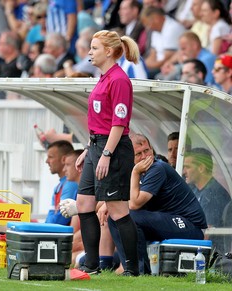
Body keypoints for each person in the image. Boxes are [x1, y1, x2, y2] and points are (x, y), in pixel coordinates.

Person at [75, 30, 140, 276]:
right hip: (96, 146)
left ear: (109, 51)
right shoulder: (103, 77)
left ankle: (133, 269)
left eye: (94, 48)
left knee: (116, 208)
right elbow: (99, 120)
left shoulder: (119, 79)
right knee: (84, 202)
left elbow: (118, 122)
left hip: (112, 148)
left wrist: (106, 154)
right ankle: (92, 264)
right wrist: (88, 150)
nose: (89, 52)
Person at [108, 133, 207, 274]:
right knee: (115, 218)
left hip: (190, 226)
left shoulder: (157, 168)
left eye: (147, 151)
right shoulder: (132, 170)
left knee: (130, 216)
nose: (145, 157)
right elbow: (118, 196)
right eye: (138, 154)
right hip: (166, 222)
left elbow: (134, 204)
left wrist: (135, 173)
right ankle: (130, 268)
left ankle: (139, 270)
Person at [183, 147, 231, 252]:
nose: (184, 171)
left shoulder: (214, 194)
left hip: (212, 256)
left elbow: (206, 233)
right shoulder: (196, 190)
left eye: (187, 167)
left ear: (201, 168)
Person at [45, 140, 78, 226]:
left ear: (63, 159)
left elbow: (60, 220)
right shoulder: (59, 186)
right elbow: (51, 216)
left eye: (50, 157)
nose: (47, 161)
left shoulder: (71, 184)